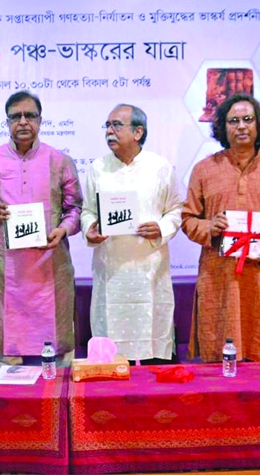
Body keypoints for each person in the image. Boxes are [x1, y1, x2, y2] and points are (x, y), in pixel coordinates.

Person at [181, 93, 260, 362]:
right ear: (223, 128)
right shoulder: (204, 169)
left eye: (247, 119)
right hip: (218, 276)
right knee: (217, 355)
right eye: (233, 121)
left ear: (259, 124)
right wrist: (210, 226)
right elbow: (188, 219)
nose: (241, 126)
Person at [0, 91, 83, 367]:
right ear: (6, 122)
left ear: (40, 120)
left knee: (54, 354)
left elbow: (75, 208)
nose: (23, 122)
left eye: (29, 115)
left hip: (49, 265)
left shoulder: (60, 160)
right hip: (7, 268)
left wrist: (63, 230)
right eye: (15, 116)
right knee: (8, 355)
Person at [80, 104, 182, 362]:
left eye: (116, 125)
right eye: (107, 126)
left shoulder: (160, 167)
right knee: (109, 354)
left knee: (153, 348)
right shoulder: (98, 168)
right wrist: (89, 229)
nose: (109, 132)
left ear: (138, 132)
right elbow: (88, 211)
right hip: (111, 270)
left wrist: (161, 228)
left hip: (149, 271)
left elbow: (176, 210)